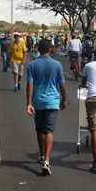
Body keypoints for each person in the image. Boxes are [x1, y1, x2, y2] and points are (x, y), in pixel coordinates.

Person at [25, 38, 66, 176]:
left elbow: (29, 85)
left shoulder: (32, 65)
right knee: (49, 131)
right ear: (50, 49)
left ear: (38, 49)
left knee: (39, 130)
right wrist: (64, 100)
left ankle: (42, 155)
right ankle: (47, 160)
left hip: (38, 102)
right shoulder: (57, 65)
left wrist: (29, 103)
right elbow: (62, 85)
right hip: (53, 102)